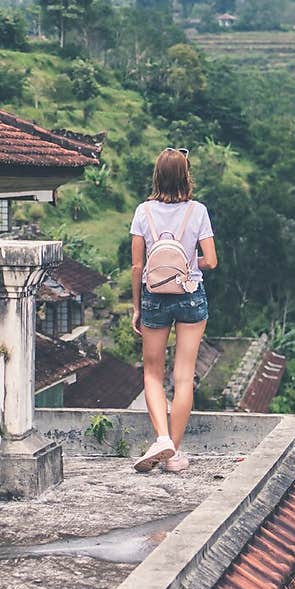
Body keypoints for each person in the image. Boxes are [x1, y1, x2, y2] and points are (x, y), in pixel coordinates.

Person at [129, 148, 217, 473]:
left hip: (154, 296)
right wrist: (190, 264)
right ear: (186, 175)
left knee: (152, 373)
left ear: (157, 175)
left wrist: (137, 307)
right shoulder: (198, 211)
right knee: (183, 376)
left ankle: (162, 438)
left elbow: (138, 265)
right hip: (191, 294)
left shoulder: (143, 211)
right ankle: (174, 455)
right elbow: (212, 260)